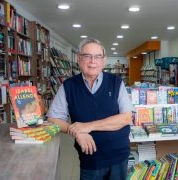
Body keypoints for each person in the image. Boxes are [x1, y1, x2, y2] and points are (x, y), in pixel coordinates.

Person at [47, 38, 133, 180]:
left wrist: (88, 126)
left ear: (103, 60)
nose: (92, 61)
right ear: (79, 59)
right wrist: (76, 132)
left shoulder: (116, 82)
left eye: (98, 56)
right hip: (89, 158)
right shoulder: (68, 86)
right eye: (87, 56)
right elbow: (53, 119)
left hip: (118, 156)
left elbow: (126, 117)